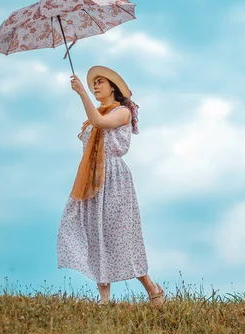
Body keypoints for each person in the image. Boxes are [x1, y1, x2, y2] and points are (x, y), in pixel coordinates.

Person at [57, 65, 165, 306]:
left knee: (121, 234)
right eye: (93, 83)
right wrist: (86, 97)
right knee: (95, 232)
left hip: (114, 177)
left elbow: (101, 123)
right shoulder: (95, 113)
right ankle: (104, 300)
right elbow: (93, 127)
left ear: (113, 88)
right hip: (93, 176)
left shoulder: (122, 112)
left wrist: (82, 94)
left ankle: (151, 287)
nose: (95, 86)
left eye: (100, 82)